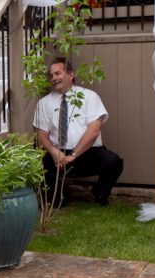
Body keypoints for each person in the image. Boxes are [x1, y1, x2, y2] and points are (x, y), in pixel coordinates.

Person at [34, 57, 123, 206]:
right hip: (57, 155)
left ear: (71, 75)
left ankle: (100, 192)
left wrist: (74, 154)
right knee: (42, 164)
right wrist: (54, 152)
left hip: (87, 153)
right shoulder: (44, 103)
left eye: (58, 73)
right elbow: (41, 135)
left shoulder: (89, 97)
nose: (54, 78)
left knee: (113, 162)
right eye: (51, 75)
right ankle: (59, 196)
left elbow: (94, 131)